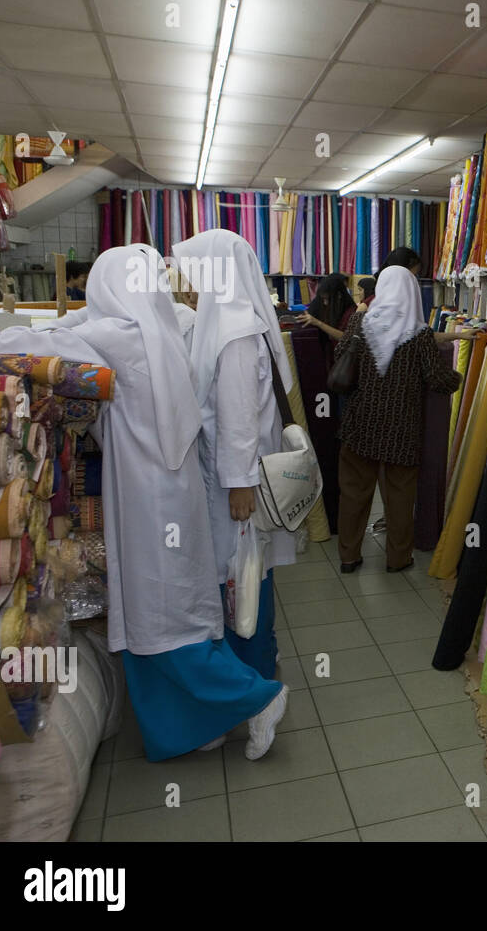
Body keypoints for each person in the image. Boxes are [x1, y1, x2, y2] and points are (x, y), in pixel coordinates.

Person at [0, 245, 287, 761]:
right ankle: (202, 723)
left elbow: (17, 343)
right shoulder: (160, 327)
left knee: (160, 618)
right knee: (177, 610)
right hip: (175, 494)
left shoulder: (119, 336)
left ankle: (257, 699)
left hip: (147, 501)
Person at [173, 228, 296, 683]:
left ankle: (254, 681)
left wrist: (240, 482)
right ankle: (262, 657)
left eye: (192, 271)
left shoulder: (235, 332)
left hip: (236, 483)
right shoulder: (232, 321)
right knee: (249, 571)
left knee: (241, 577)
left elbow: (240, 417)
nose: (185, 282)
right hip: (234, 474)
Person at [335, 265, 475, 573]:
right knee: (399, 498)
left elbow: (340, 360)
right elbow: (437, 379)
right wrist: (463, 377)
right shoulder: (419, 333)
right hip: (401, 429)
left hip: (361, 425)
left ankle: (349, 557)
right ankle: (397, 559)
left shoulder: (360, 321)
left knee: (354, 495)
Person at [297, 272, 353, 366]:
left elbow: (345, 338)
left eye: (327, 299)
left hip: (344, 363)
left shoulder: (350, 311)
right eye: (323, 300)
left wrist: (318, 323)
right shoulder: (322, 305)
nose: (325, 303)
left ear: (339, 295)